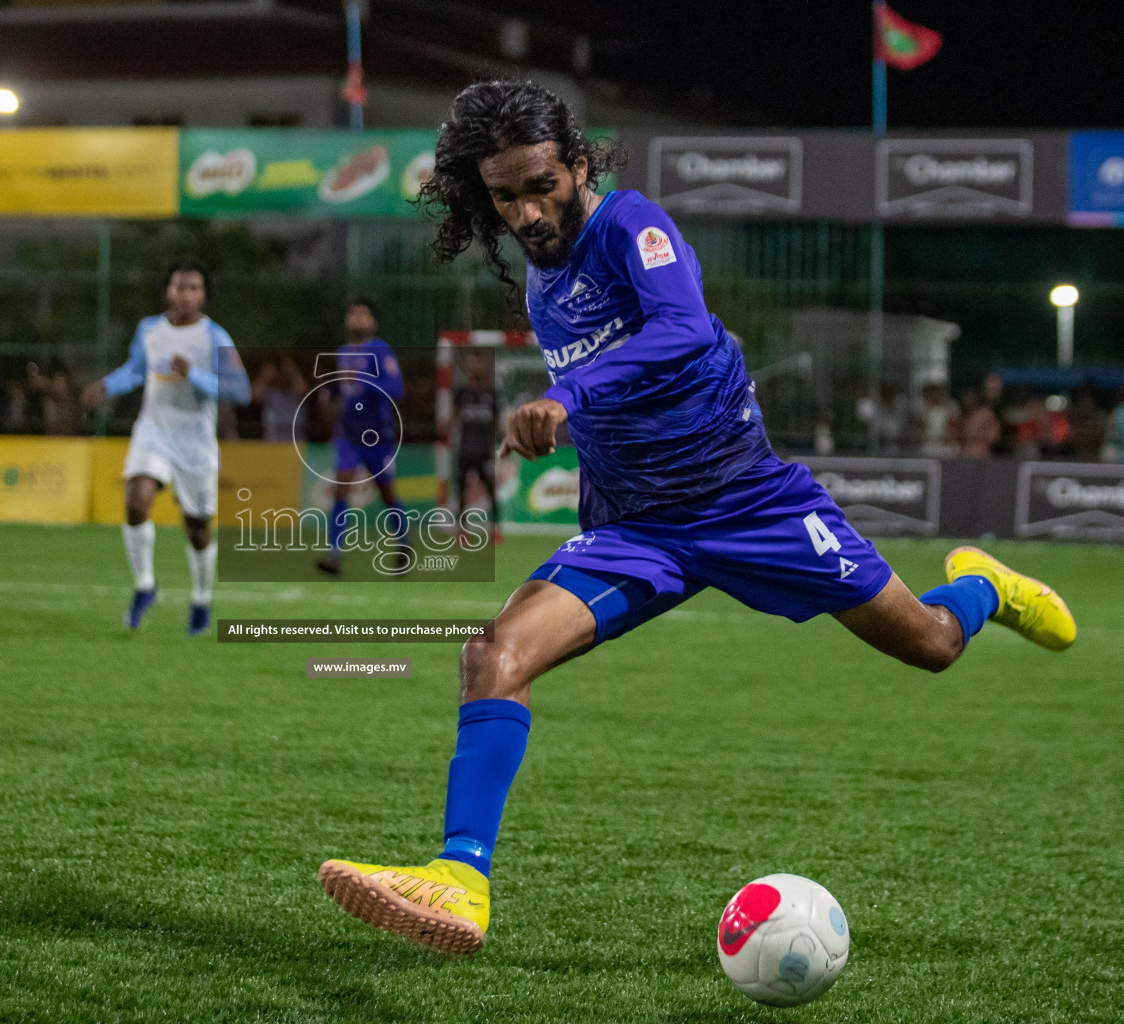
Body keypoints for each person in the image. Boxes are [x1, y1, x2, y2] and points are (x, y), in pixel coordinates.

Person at [316, 80, 1075, 955]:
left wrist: (567, 395)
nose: (526, 211)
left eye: (540, 185)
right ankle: (461, 879)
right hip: (638, 529)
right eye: (505, 195)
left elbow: (681, 327)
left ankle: (984, 588)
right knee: (494, 655)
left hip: (749, 503)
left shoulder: (631, 224)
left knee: (933, 643)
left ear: (578, 164)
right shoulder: (541, 279)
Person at [86, 260, 249, 635]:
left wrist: (196, 374)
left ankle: (201, 600)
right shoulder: (150, 328)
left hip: (194, 442)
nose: (185, 294)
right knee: (136, 498)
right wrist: (107, 386)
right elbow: (136, 369)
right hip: (154, 432)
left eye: (194, 287)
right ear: (167, 291)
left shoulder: (216, 337)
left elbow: (239, 390)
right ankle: (145, 586)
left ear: (204, 294)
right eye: (179, 286)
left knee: (197, 527)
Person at [315, 298, 410, 576]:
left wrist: (365, 381)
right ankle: (334, 554)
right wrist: (328, 393)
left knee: (387, 492)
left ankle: (404, 543)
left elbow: (396, 388)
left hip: (377, 435)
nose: (357, 319)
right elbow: (343, 386)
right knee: (341, 486)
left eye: (363, 314)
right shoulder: (343, 351)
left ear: (374, 322)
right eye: (353, 314)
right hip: (348, 433)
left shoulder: (380, 350)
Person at [448, 350, 500, 532]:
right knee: (461, 490)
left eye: (479, 363)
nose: (476, 367)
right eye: (472, 363)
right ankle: (461, 528)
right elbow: (453, 418)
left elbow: (496, 423)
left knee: (491, 488)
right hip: (465, 450)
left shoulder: (492, 393)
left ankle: (495, 527)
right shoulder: (462, 392)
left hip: (484, 450)